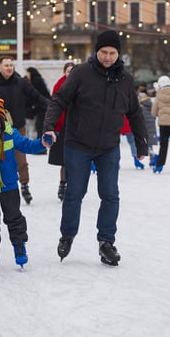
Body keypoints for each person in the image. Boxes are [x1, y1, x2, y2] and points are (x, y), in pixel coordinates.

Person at [43, 30, 148, 266]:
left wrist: (142, 142)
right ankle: (67, 235)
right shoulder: (81, 73)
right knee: (74, 193)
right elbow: (59, 100)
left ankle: (106, 242)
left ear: (118, 53)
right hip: (78, 144)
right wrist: (49, 126)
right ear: (96, 51)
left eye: (112, 53)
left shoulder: (125, 79)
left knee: (110, 194)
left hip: (109, 147)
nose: (108, 57)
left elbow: (134, 112)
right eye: (104, 52)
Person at [0, 93, 51, 269]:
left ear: (2, 118)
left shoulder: (11, 134)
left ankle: (19, 247)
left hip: (9, 187)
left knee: (13, 218)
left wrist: (42, 143)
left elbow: (27, 145)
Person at [0, 56, 50, 205]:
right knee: (1, 158)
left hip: (18, 126)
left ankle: (25, 185)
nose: (9, 68)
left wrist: (51, 106)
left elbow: (36, 96)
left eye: (11, 65)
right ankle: (1, 187)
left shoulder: (22, 83)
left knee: (21, 159)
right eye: (6, 65)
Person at [48, 62, 74, 201]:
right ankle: (63, 184)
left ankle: (73, 185)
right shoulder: (59, 85)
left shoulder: (80, 84)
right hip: (62, 126)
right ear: (64, 72)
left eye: (72, 71)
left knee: (75, 159)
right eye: (68, 71)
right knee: (64, 159)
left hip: (77, 126)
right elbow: (54, 106)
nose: (70, 73)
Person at [25, 66, 51, 139]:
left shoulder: (35, 81)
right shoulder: (38, 79)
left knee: (39, 127)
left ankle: (40, 147)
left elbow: (34, 95)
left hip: (41, 108)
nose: (27, 75)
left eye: (27, 73)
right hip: (43, 107)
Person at [138, 89, 158, 168]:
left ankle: (153, 156)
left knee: (146, 144)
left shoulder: (141, 107)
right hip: (152, 127)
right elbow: (154, 115)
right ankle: (152, 160)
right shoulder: (151, 104)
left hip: (145, 127)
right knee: (149, 144)